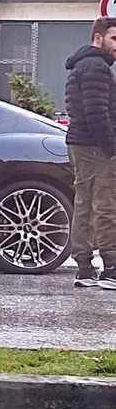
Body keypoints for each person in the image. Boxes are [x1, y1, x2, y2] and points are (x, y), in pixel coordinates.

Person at [64, 17, 116, 288]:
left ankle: (84, 268)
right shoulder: (96, 66)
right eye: (114, 39)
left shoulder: (82, 65)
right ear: (98, 38)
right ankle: (111, 268)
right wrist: (111, 148)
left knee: (84, 204)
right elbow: (97, 113)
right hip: (95, 146)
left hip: (81, 143)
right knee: (105, 205)